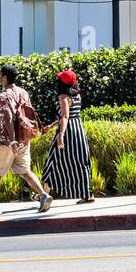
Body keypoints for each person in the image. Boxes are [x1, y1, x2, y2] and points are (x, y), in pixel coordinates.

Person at [0, 65, 53, 216]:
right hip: (24, 140)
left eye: (0, 75)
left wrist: (12, 140)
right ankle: (43, 195)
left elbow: (7, 118)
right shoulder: (23, 92)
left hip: (7, 141)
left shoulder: (3, 96)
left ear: (5, 78)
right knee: (25, 170)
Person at [42, 69, 94, 204]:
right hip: (78, 129)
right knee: (81, 161)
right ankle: (88, 194)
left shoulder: (63, 97)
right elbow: (70, 115)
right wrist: (52, 125)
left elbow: (65, 116)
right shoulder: (77, 96)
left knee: (52, 161)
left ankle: (43, 195)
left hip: (68, 132)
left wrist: (61, 134)